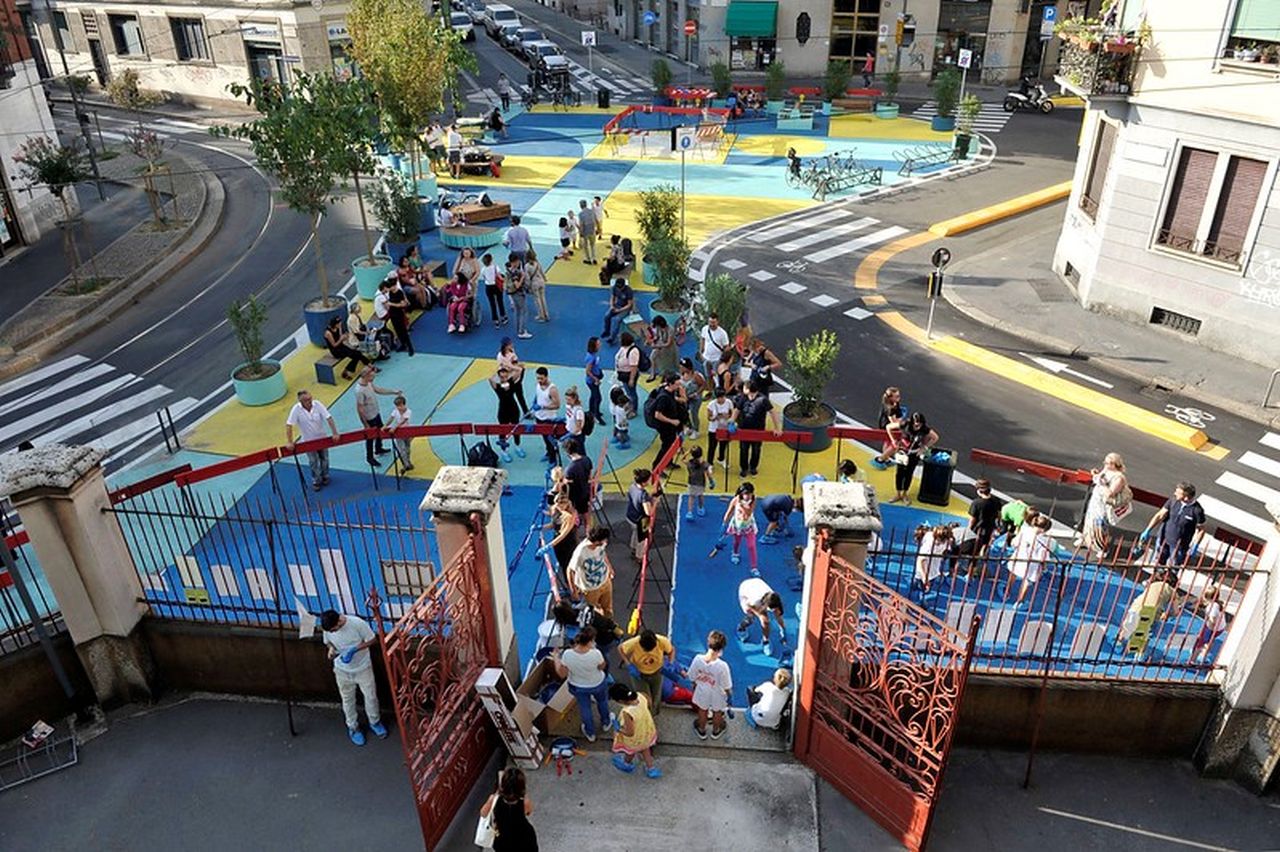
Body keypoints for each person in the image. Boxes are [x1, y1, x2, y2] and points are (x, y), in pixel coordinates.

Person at [319, 609, 386, 745]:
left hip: (362, 668)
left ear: (339, 621)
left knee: (371, 696)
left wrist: (355, 649)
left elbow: (372, 640)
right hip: (341, 670)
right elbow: (328, 642)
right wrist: (331, 649)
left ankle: (375, 721)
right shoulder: (328, 628)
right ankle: (353, 727)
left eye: (334, 629)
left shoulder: (357, 623)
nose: (332, 632)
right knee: (347, 699)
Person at [553, 626, 612, 742]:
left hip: (578, 686)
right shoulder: (596, 653)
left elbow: (562, 674)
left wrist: (556, 658)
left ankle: (590, 733)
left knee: (585, 708)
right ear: (590, 641)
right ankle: (606, 722)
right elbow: (602, 666)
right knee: (602, 701)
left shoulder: (567, 654)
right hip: (597, 684)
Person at [1139, 481, 1206, 569]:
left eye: (1178, 492)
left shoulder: (1197, 511)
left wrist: (1195, 545)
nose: (1175, 493)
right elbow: (1160, 515)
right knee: (1158, 562)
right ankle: (1155, 579)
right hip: (1163, 538)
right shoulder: (1173, 501)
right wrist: (1148, 530)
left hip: (1179, 545)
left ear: (1186, 497)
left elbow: (1201, 529)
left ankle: (1168, 581)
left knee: (1173, 567)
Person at [285, 390, 340, 490]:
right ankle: (316, 480)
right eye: (307, 400)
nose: (310, 401)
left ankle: (325, 476)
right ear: (301, 401)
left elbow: (329, 417)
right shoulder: (296, 409)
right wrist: (290, 441)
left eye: (310, 398)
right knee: (313, 461)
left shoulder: (317, 404)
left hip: (322, 438)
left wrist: (334, 432)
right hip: (308, 441)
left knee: (325, 459)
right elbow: (289, 425)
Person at [1079, 452, 1131, 556]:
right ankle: (1087, 540)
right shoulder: (1106, 471)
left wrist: (1102, 482)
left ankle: (1102, 548)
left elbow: (1110, 493)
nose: (1104, 464)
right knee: (1089, 522)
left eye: (1107, 463)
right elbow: (1097, 479)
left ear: (1113, 464)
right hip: (1096, 502)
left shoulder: (1119, 478)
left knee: (1100, 525)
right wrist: (1096, 475)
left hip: (1104, 506)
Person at [618, 628, 675, 719]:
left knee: (656, 696)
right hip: (639, 674)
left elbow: (671, 650)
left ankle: (653, 714)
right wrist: (628, 664)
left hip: (657, 672)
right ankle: (645, 717)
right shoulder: (634, 642)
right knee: (643, 699)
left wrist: (671, 663)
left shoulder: (662, 641)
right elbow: (620, 648)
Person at [607, 682, 661, 778]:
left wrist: (618, 729)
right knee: (645, 749)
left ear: (620, 700)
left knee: (630, 751)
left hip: (635, 738)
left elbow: (630, 732)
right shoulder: (641, 695)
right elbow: (649, 702)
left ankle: (626, 763)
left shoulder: (627, 712)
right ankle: (651, 768)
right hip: (646, 731)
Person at [688, 630, 733, 740]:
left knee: (702, 710)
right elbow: (727, 686)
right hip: (718, 693)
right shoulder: (723, 666)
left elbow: (692, 677)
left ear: (708, 642)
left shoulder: (697, 659)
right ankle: (716, 731)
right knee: (717, 712)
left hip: (702, 690)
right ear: (722, 647)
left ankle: (701, 730)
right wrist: (729, 696)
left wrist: (695, 686)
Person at [480, 767, 537, 852]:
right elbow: (529, 812)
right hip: (524, 838)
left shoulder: (493, 800)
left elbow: (483, 813)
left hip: (502, 839)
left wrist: (495, 795)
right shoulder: (525, 802)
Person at [1118, 568, 1178, 650]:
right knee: (1146, 634)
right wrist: (1167, 614)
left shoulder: (1152, 584)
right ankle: (1139, 654)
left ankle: (1119, 642)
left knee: (1129, 627)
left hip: (1137, 607)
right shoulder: (1173, 592)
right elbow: (1175, 611)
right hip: (1152, 613)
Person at [734, 380, 782, 478]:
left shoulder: (763, 399)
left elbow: (773, 412)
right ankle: (744, 468)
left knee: (756, 449)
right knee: (743, 449)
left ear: (748, 389)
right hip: (744, 429)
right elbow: (737, 410)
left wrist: (777, 428)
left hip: (758, 430)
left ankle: (753, 467)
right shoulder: (743, 397)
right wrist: (732, 420)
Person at [354, 366, 401, 467]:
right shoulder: (359, 391)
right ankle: (370, 457)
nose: (373, 378)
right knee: (370, 437)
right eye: (372, 376)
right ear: (366, 376)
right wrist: (365, 424)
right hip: (369, 417)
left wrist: (393, 392)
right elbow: (359, 408)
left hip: (375, 412)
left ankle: (379, 448)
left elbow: (378, 390)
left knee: (380, 430)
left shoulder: (368, 383)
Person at [890, 411, 939, 505]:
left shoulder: (924, 429)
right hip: (902, 452)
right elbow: (889, 427)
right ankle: (898, 493)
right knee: (899, 473)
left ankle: (904, 493)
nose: (917, 425)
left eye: (919, 423)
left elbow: (935, 437)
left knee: (909, 473)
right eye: (915, 423)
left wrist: (924, 448)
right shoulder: (905, 424)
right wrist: (893, 441)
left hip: (913, 454)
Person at [1005, 514, 1053, 605]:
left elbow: (1014, 543)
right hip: (1032, 564)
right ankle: (1019, 602)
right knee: (1027, 581)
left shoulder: (1025, 531)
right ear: (1044, 529)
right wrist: (1044, 567)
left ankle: (1006, 592)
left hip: (1019, 557)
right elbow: (1044, 557)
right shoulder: (1045, 541)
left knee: (1013, 573)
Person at [735, 576, 786, 654]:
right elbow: (749, 606)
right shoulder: (754, 601)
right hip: (745, 593)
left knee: (767, 618)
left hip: (757, 583)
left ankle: (766, 639)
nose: (772, 611)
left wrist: (783, 630)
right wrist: (759, 615)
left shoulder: (774, 598)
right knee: (756, 619)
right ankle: (741, 628)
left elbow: (778, 614)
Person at [538, 492, 579, 583]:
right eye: (556, 502)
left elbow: (563, 534)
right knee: (562, 564)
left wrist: (548, 546)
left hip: (568, 542)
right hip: (557, 542)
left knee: (569, 565)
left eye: (561, 503)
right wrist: (541, 527)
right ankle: (569, 585)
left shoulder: (569, 516)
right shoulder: (555, 509)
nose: (558, 505)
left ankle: (575, 587)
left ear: (566, 504)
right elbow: (553, 524)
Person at [724, 481, 760, 574]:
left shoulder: (753, 501)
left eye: (750, 494)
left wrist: (742, 505)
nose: (747, 496)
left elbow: (748, 513)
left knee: (751, 546)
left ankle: (754, 567)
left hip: (749, 526)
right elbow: (729, 511)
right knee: (737, 542)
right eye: (745, 494)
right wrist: (724, 523)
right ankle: (735, 553)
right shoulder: (735, 500)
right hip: (737, 526)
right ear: (741, 493)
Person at [649, 372, 683, 470]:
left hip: (670, 426)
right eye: (677, 384)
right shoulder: (664, 397)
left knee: (671, 446)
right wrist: (672, 421)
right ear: (671, 384)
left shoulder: (670, 391)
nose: (679, 386)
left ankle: (668, 462)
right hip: (665, 427)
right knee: (666, 447)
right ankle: (656, 467)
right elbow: (658, 415)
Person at [966, 478, 1005, 561]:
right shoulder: (996, 500)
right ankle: (983, 555)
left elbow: (973, 519)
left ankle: (973, 562)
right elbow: (999, 515)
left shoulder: (976, 503)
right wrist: (998, 525)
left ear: (979, 491)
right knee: (985, 543)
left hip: (978, 528)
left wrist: (968, 529)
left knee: (975, 546)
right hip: (990, 527)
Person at [869, 386, 908, 469]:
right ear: (891, 398)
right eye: (896, 396)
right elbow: (894, 422)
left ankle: (886, 459)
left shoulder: (894, 404)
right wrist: (902, 420)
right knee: (895, 444)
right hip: (888, 427)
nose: (899, 398)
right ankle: (880, 459)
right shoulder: (890, 408)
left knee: (887, 442)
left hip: (887, 425)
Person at [324, 314, 368, 380]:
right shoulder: (328, 333)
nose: (340, 325)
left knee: (357, 353)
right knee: (356, 355)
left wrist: (345, 338)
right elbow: (334, 345)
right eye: (338, 324)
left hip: (341, 346)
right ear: (335, 324)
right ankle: (346, 371)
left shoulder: (339, 327)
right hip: (336, 351)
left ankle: (367, 365)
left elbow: (340, 336)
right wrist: (341, 339)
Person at [532, 367, 562, 464]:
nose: (539, 380)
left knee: (550, 440)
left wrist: (542, 406)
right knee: (544, 438)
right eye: (538, 378)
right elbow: (537, 395)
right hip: (539, 417)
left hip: (549, 419)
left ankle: (553, 460)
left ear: (546, 377)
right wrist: (534, 401)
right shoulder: (538, 385)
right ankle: (549, 453)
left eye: (541, 378)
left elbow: (557, 405)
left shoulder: (552, 389)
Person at [913, 523, 954, 593]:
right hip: (924, 570)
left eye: (940, 541)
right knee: (921, 586)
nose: (938, 542)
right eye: (937, 540)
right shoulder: (929, 546)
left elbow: (947, 547)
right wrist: (924, 576)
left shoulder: (946, 541)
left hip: (934, 568)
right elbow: (920, 561)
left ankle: (919, 589)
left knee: (927, 586)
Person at [626, 468, 656, 561]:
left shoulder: (632, 487)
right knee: (641, 540)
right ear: (644, 482)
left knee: (635, 533)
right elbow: (649, 512)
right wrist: (655, 502)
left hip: (630, 516)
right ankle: (639, 557)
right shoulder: (643, 495)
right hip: (641, 520)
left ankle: (633, 548)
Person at [1192, 585, 1227, 663]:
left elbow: (1212, 621)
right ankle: (1204, 652)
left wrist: (1207, 633)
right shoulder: (1216, 604)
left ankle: (1193, 660)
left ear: (1208, 597)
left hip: (1213, 627)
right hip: (1220, 627)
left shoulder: (1212, 607)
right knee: (1208, 640)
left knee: (1201, 642)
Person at [705, 386, 735, 468]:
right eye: (719, 397)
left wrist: (727, 416)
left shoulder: (729, 402)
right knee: (712, 446)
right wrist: (715, 417)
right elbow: (709, 418)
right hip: (713, 428)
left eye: (722, 397)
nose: (721, 399)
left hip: (724, 427)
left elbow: (732, 414)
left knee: (723, 445)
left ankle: (721, 459)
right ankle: (710, 463)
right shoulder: (711, 404)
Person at [562, 437, 593, 519]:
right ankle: (587, 530)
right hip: (586, 491)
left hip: (576, 496)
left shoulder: (569, 469)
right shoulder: (587, 459)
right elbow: (590, 476)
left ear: (567, 453)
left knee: (573, 513)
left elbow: (567, 485)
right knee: (585, 512)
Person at [497, 338, 529, 416]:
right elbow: (507, 366)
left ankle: (526, 412)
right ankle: (509, 412)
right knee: (507, 397)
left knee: (520, 395)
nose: (512, 345)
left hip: (515, 377)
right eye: (510, 344)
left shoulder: (512, 351)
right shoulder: (500, 356)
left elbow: (514, 362)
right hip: (507, 378)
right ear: (506, 346)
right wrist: (518, 368)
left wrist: (519, 365)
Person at [504, 252, 532, 340]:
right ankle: (522, 331)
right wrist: (523, 277)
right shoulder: (515, 272)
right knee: (523, 311)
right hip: (518, 293)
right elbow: (517, 285)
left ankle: (518, 329)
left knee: (517, 311)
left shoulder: (508, 269)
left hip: (512, 293)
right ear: (516, 261)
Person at [384, 276, 415, 356]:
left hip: (398, 313)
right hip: (392, 313)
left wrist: (391, 304)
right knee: (398, 331)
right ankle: (402, 344)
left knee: (403, 331)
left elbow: (402, 304)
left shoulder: (399, 293)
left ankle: (410, 347)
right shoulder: (390, 293)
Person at [678, 358, 706, 440]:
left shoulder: (695, 376)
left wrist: (696, 393)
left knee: (693, 413)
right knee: (685, 413)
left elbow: (703, 385)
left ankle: (696, 430)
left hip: (695, 398)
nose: (680, 368)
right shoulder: (682, 374)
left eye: (682, 366)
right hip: (686, 398)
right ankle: (689, 427)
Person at [384, 394, 414, 471]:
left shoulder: (408, 411)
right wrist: (385, 425)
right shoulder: (395, 411)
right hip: (398, 432)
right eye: (397, 406)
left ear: (404, 404)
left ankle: (407, 462)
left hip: (406, 431)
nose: (399, 408)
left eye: (400, 406)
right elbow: (391, 418)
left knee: (407, 448)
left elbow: (403, 421)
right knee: (401, 449)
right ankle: (406, 464)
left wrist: (394, 427)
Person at [602, 275, 634, 345]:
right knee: (607, 316)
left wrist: (619, 310)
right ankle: (606, 331)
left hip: (625, 308)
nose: (619, 289)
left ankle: (612, 338)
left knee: (617, 320)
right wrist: (612, 306)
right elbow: (612, 298)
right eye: (618, 287)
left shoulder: (629, 291)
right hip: (617, 305)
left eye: (620, 288)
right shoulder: (614, 288)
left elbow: (629, 305)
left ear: (624, 286)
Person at [615, 331, 642, 415]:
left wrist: (631, 379)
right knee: (628, 392)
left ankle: (634, 410)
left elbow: (634, 366)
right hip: (623, 374)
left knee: (632, 393)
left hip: (629, 375)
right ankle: (630, 405)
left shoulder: (633, 351)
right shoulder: (623, 348)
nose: (619, 340)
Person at [699, 313, 731, 382]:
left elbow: (726, 347)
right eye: (710, 322)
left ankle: (717, 390)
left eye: (713, 322)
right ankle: (710, 390)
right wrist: (701, 352)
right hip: (706, 358)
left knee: (717, 377)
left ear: (717, 322)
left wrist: (722, 359)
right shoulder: (705, 329)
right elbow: (702, 339)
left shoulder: (722, 333)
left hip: (717, 359)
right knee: (708, 377)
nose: (711, 324)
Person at [479, 252, 507, 328]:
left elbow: (484, 277)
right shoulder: (495, 267)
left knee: (492, 304)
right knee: (500, 301)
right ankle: (503, 317)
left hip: (488, 287)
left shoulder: (483, 269)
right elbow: (499, 276)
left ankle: (495, 320)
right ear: (491, 260)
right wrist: (504, 279)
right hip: (496, 286)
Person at [685, 446, 713, 519]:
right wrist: (711, 482)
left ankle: (689, 512)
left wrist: (687, 453)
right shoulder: (704, 464)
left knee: (691, 497)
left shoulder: (689, 463)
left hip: (691, 483)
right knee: (700, 496)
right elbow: (708, 474)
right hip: (701, 483)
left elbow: (682, 459)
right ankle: (700, 508)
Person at [647, 315, 677, 381]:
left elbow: (668, 344)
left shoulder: (670, 329)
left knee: (667, 363)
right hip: (660, 345)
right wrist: (652, 341)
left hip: (669, 348)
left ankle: (666, 376)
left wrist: (656, 346)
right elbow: (657, 336)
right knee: (652, 357)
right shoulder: (658, 328)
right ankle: (653, 374)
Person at [584, 337, 605, 425]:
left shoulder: (593, 355)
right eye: (598, 343)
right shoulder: (591, 358)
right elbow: (588, 371)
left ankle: (592, 410)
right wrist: (595, 379)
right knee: (598, 398)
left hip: (593, 379)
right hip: (592, 381)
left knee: (593, 395)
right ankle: (596, 415)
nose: (600, 345)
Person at [525, 248, 550, 322]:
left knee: (537, 300)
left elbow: (527, 278)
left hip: (534, 283)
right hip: (541, 281)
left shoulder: (527, 266)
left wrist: (528, 286)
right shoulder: (537, 263)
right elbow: (542, 272)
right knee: (543, 298)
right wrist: (545, 279)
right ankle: (546, 314)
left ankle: (541, 315)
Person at [577, 198, 597, 264]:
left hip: (585, 232)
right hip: (592, 230)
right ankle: (594, 258)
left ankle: (588, 259)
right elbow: (595, 219)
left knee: (585, 246)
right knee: (593, 245)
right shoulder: (591, 211)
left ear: (580, 206)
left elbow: (581, 224)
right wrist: (597, 228)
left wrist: (581, 233)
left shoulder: (581, 214)